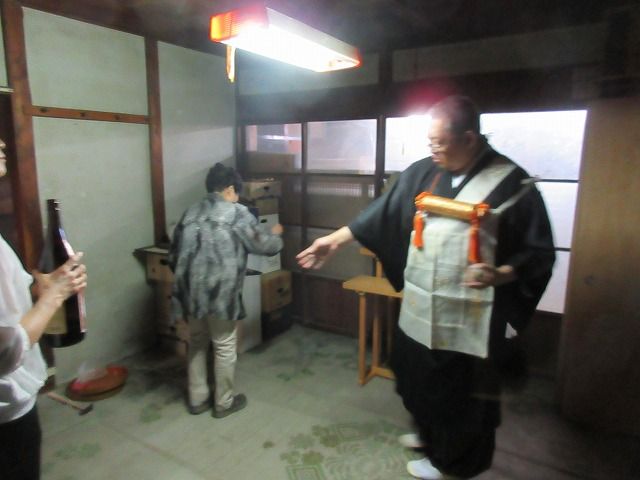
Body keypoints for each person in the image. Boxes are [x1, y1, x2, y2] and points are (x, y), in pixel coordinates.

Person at [296, 96, 555, 479]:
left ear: (469, 138)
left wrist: (500, 274)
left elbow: (537, 253)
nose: (432, 150)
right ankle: (429, 439)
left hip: (470, 318)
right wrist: (334, 240)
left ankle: (452, 465)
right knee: (413, 376)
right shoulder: (425, 172)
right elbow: (381, 214)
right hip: (421, 307)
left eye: (440, 143)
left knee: (459, 397)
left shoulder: (511, 183)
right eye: (429, 141)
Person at [0, 138, 88, 479]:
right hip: (6, 408)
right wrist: (55, 295)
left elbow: (12, 297)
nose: (3, 143)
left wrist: (44, 285)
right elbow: (5, 351)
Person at [169, 163, 283, 418]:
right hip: (221, 294)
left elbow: (173, 256)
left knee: (196, 342)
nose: (238, 198)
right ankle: (223, 403)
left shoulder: (189, 213)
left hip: (191, 293)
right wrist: (275, 234)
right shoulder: (236, 213)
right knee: (223, 345)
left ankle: (197, 399)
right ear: (230, 189)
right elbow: (265, 246)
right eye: (237, 193)